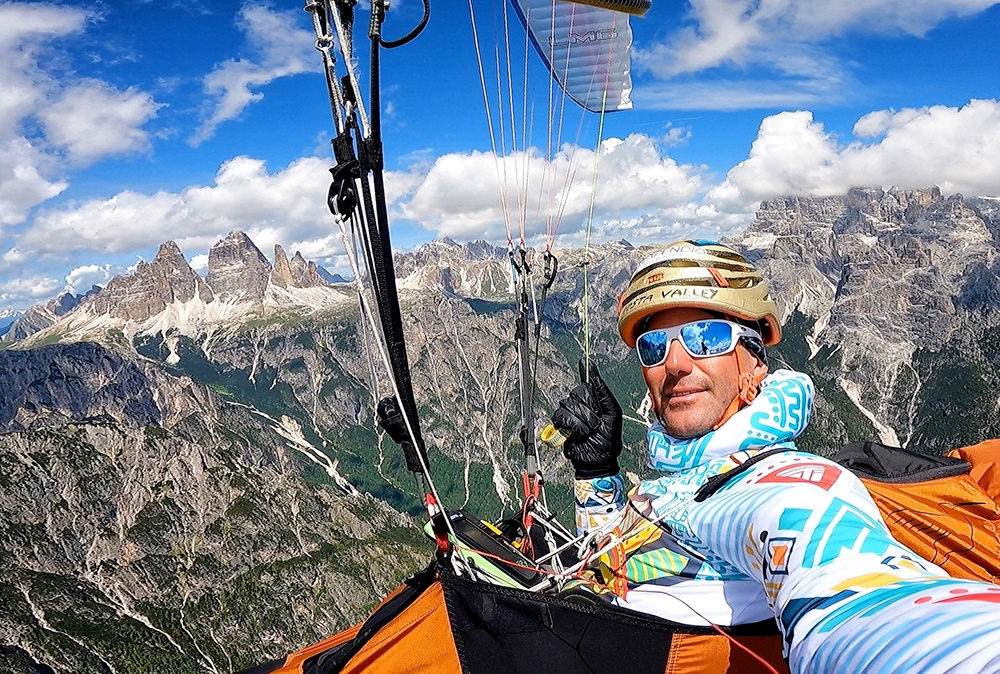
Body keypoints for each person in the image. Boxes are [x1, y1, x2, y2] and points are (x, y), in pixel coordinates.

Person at [552, 239, 1000, 673]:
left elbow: (856, 592)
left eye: (705, 338)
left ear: (755, 362)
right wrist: (597, 473)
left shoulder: (774, 482)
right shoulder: (685, 480)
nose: (675, 364)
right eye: (654, 345)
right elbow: (613, 563)